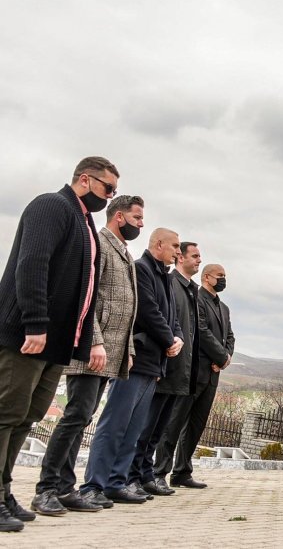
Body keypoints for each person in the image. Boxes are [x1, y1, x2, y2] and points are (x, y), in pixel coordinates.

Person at [0, 156, 118, 532]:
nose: (110, 197)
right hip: (28, 334)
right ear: (85, 179)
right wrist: (35, 322)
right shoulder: (52, 205)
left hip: (55, 344)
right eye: (108, 189)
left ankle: (4, 492)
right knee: (6, 415)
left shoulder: (83, 220)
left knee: (26, 417)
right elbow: (32, 264)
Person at [32, 195, 144, 516]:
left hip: (110, 353)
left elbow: (128, 312)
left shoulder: (123, 251)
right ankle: (47, 488)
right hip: (91, 350)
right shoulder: (100, 244)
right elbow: (89, 298)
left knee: (83, 419)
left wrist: (128, 351)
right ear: (119, 217)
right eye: (137, 218)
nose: (141, 224)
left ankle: (65, 488)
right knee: (74, 417)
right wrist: (94, 342)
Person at [79, 229, 183, 505]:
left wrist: (177, 338)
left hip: (154, 364)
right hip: (137, 359)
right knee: (115, 424)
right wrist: (168, 339)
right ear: (158, 244)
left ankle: (117, 482)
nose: (178, 251)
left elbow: (172, 317)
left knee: (134, 429)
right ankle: (93, 485)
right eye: (175, 246)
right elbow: (148, 312)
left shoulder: (165, 277)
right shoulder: (142, 269)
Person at [131, 242, 202, 496]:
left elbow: (181, 325)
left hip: (180, 367)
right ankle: (137, 475)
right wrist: (171, 342)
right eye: (194, 255)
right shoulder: (170, 282)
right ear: (180, 257)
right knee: (147, 426)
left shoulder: (192, 290)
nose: (199, 260)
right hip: (163, 364)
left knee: (160, 428)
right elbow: (157, 316)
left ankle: (147, 474)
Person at [159, 263, 234, 489]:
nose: (223, 279)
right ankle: (159, 471)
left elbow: (229, 336)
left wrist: (225, 357)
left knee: (196, 425)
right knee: (176, 422)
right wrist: (220, 357)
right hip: (195, 370)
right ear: (206, 277)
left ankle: (182, 471)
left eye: (225, 275)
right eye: (220, 275)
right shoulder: (197, 299)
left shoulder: (224, 308)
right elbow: (201, 331)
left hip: (213, 375)